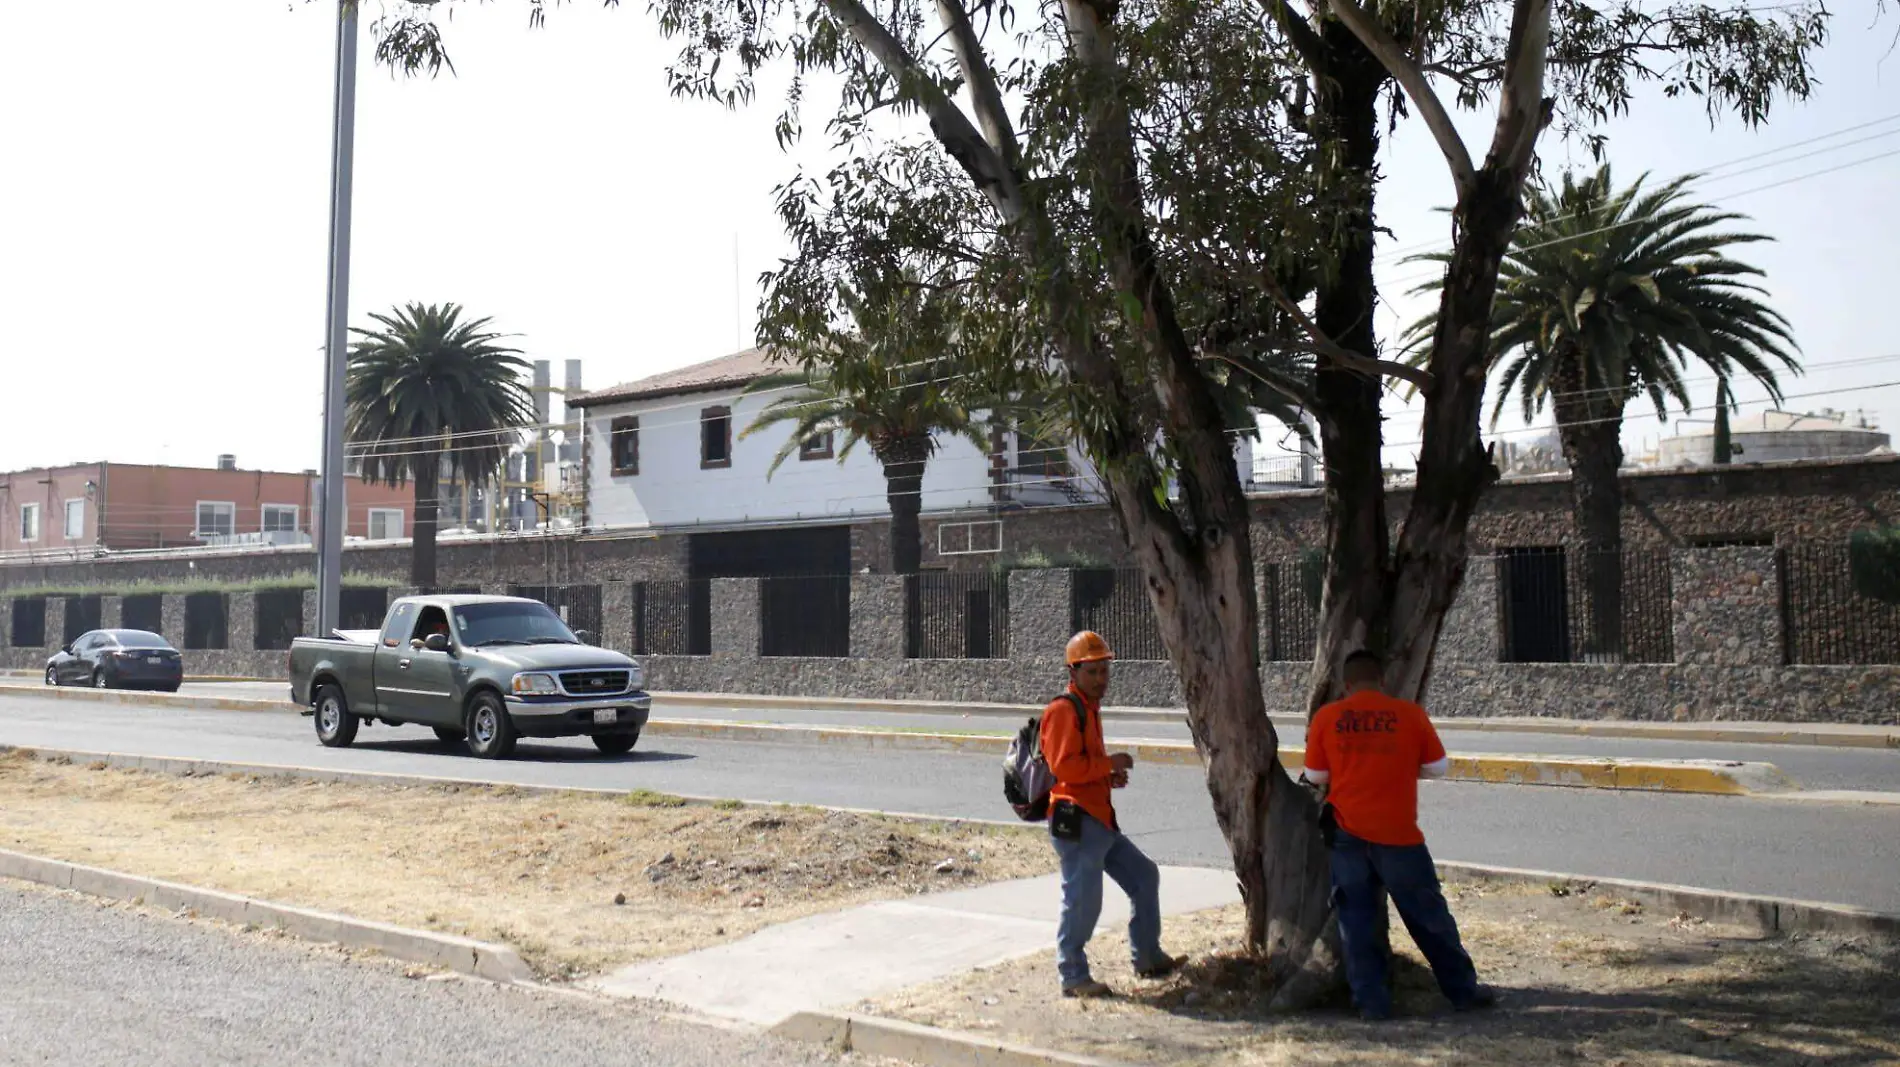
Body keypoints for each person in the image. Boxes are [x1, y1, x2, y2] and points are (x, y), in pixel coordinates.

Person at [1304, 649, 1497, 1021]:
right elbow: (1438, 767)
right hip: (1399, 836)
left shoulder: (1329, 717)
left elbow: (1314, 776)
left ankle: (1372, 1003)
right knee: (1428, 916)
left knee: (1356, 921)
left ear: (1346, 685)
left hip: (1347, 833)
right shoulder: (1409, 715)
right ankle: (1462, 992)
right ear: (1383, 680)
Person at [1041, 630, 1182, 998]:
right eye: (1093, 672)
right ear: (1073, 672)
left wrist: (1108, 774)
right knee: (1084, 902)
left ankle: (1147, 956)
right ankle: (1072, 976)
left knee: (1144, 876)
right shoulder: (1063, 710)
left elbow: (1085, 766)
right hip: (1078, 820)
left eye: (1104, 671)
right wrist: (1109, 763)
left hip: (1099, 820)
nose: (1101, 679)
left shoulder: (1089, 709)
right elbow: (1065, 768)